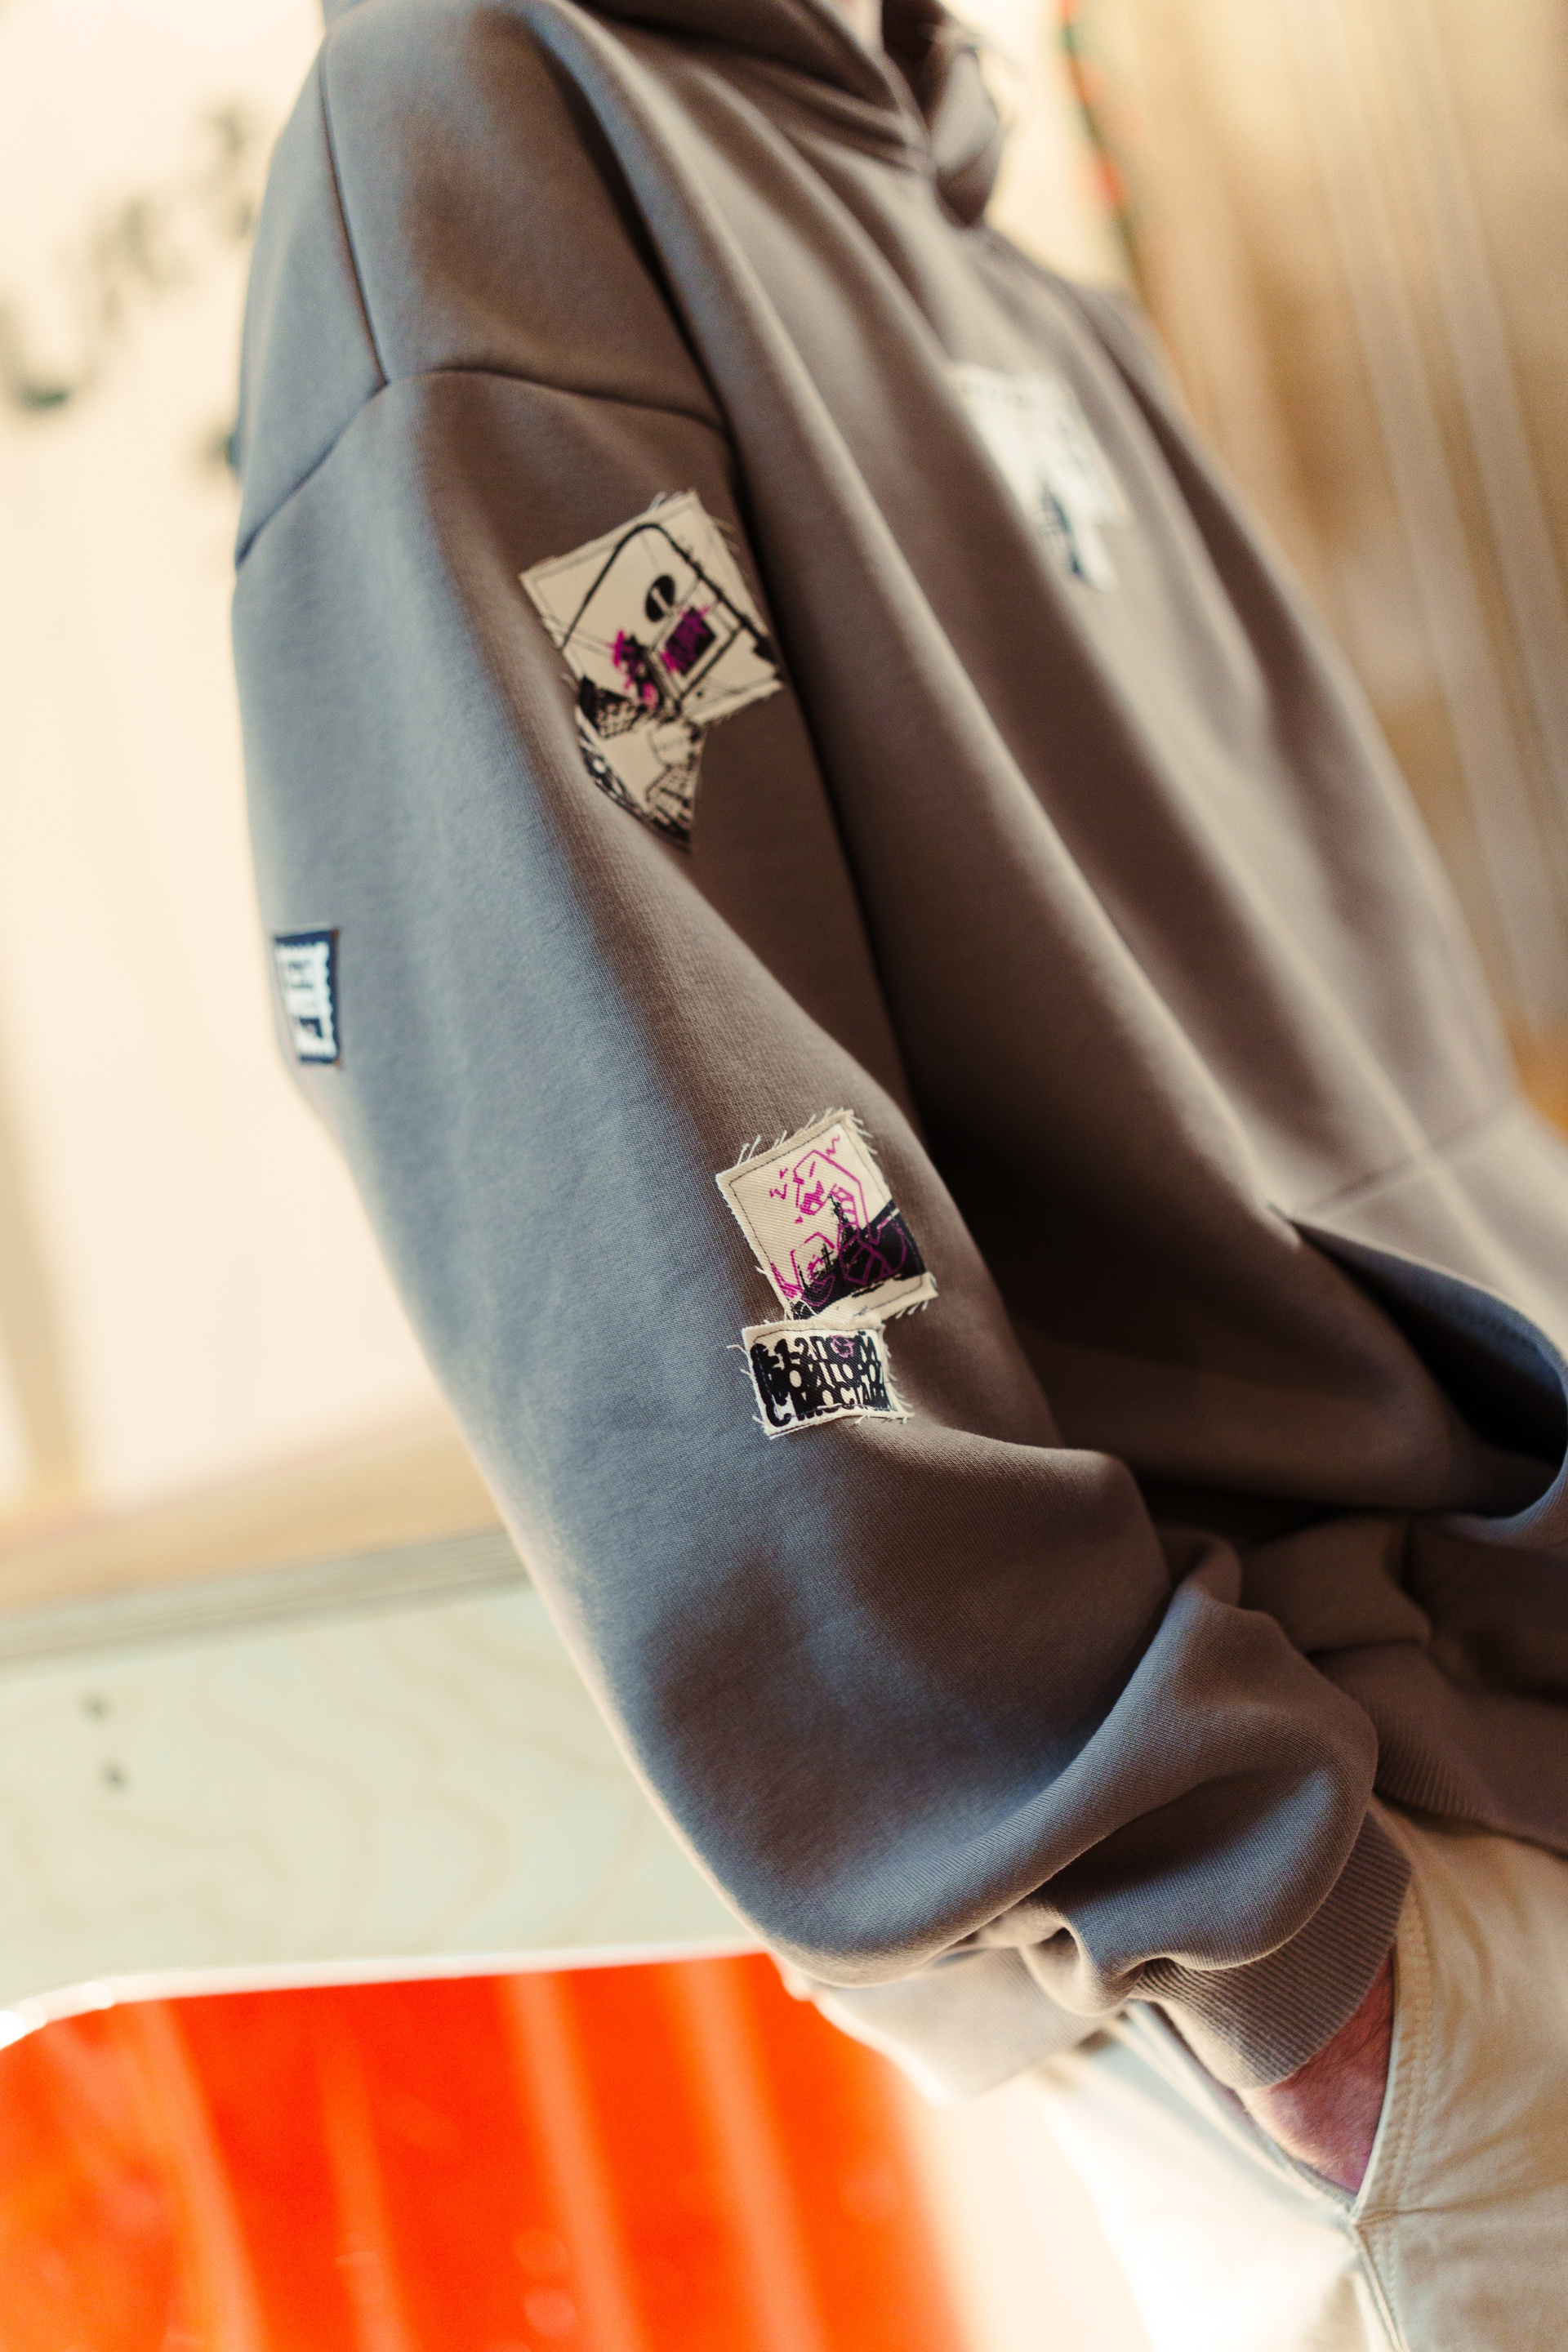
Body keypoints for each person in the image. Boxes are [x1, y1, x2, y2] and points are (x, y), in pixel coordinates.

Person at [232, 0, 1568, 2340]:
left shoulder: (975, 224)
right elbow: (699, 1190)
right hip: (1368, 1908)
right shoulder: (480, 168)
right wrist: (1260, 1929)